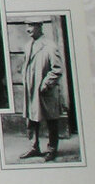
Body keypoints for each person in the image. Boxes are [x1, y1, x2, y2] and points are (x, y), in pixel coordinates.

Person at [21, 19, 65, 161]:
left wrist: (45, 84)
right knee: (32, 119)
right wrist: (25, 78)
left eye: (31, 25)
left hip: (45, 91)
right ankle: (34, 147)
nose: (28, 29)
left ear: (39, 26)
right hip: (31, 89)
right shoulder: (28, 46)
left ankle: (52, 149)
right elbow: (26, 65)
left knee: (51, 120)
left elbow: (57, 69)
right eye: (27, 25)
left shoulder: (50, 46)